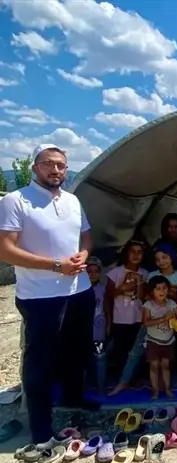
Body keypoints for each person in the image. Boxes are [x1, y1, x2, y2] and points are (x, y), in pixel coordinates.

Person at [0, 144, 98, 444]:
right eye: (49, 164)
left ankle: (74, 398)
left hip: (79, 290)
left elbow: (86, 234)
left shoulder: (71, 200)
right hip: (40, 296)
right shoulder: (17, 201)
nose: (56, 170)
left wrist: (83, 253)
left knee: (78, 351)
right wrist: (56, 265)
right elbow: (6, 249)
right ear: (35, 167)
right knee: (40, 361)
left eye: (61, 166)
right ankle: (41, 428)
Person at [105, 241, 148, 374]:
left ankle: (134, 377)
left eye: (139, 252)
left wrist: (139, 281)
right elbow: (108, 296)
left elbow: (143, 297)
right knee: (121, 350)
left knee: (136, 350)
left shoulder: (145, 273)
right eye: (132, 252)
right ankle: (121, 377)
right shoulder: (115, 273)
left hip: (138, 319)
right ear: (126, 254)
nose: (136, 255)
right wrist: (122, 288)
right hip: (120, 319)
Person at [143, 275, 177, 399]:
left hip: (168, 340)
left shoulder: (171, 304)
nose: (162, 291)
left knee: (165, 365)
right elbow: (146, 323)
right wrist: (164, 319)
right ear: (152, 291)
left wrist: (175, 320)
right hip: (153, 341)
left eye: (164, 288)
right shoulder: (148, 305)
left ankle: (168, 389)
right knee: (154, 366)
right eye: (158, 288)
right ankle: (155, 391)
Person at [87, 257, 107, 393]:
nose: (93, 274)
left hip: (99, 331)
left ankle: (101, 387)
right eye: (89, 271)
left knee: (100, 359)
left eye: (96, 271)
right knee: (83, 359)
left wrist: (109, 325)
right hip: (83, 332)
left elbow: (107, 308)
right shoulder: (79, 290)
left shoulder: (103, 289)